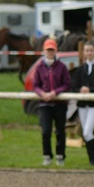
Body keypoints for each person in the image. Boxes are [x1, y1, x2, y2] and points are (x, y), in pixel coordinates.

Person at [33, 38, 72, 166]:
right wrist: (42, 93)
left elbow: (67, 84)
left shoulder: (62, 67)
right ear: (44, 51)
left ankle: (60, 155)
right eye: (48, 50)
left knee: (60, 131)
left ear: (56, 51)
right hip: (44, 104)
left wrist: (55, 92)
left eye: (52, 50)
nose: (50, 52)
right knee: (46, 131)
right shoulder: (39, 67)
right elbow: (35, 85)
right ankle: (47, 155)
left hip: (59, 104)